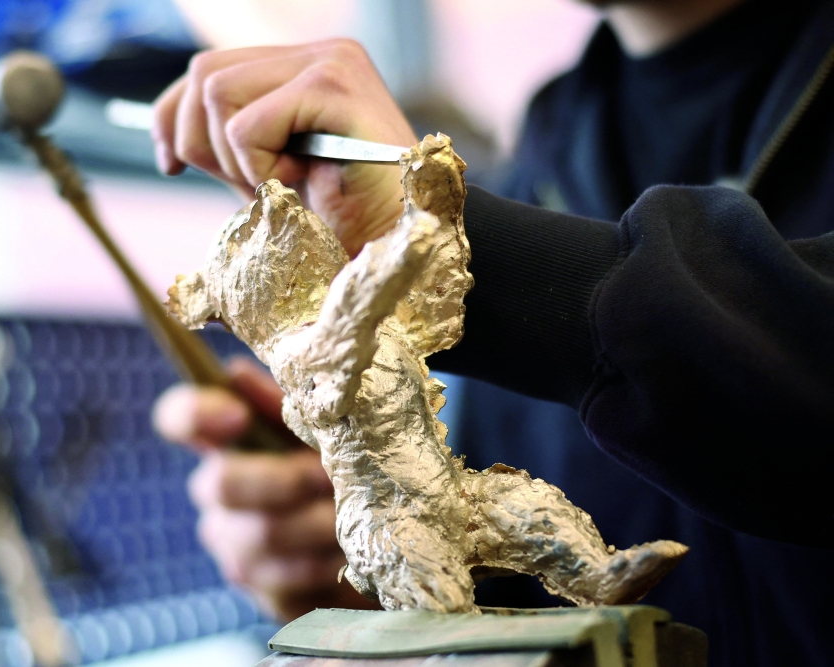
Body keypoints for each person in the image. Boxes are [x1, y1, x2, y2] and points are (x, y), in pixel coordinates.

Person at [149, 0, 834, 665]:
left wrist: (441, 239)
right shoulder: (547, 153)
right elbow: (510, 601)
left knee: (529, 516)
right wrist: (341, 564)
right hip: (414, 515)